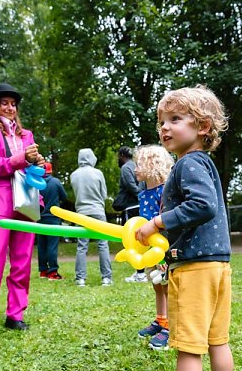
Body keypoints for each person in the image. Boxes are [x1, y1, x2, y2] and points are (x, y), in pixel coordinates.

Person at [136, 85, 236, 371]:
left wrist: (158, 223)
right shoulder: (204, 164)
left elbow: (202, 206)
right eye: (162, 120)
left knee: (190, 347)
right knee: (217, 339)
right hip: (218, 267)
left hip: (195, 269)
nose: (164, 127)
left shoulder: (188, 164)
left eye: (175, 119)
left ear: (203, 126)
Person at [0, 83, 45, 344]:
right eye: (4, 103)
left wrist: (41, 168)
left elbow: (31, 169)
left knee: (22, 264)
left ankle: (15, 314)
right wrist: (23, 158)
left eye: (13, 103)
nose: (10, 107)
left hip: (25, 203)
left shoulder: (27, 134)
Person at [134, 145, 174, 350]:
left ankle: (171, 328)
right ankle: (161, 320)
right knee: (156, 285)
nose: (135, 169)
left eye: (139, 164)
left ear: (152, 164)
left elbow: (168, 220)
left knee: (168, 286)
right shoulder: (144, 193)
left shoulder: (166, 190)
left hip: (165, 248)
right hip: (150, 250)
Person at [70, 148, 112, 286]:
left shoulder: (74, 175)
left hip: (81, 213)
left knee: (82, 246)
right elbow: (104, 194)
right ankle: (106, 278)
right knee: (103, 244)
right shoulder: (98, 173)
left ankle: (80, 279)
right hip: (98, 211)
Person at [113, 146, 147, 283]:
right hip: (138, 206)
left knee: (132, 240)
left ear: (122, 155)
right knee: (140, 238)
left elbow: (130, 186)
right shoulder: (137, 166)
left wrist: (140, 196)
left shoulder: (126, 168)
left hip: (131, 206)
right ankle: (141, 271)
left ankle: (140, 273)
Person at [38, 162, 67, 280]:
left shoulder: (37, 183)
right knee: (52, 245)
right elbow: (64, 196)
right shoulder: (55, 182)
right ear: (51, 170)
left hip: (39, 217)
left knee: (42, 245)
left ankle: (43, 271)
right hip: (53, 217)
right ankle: (53, 272)